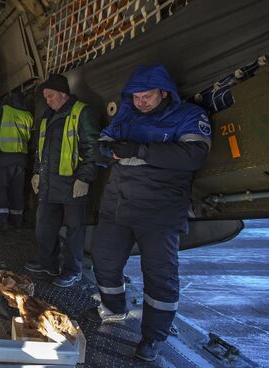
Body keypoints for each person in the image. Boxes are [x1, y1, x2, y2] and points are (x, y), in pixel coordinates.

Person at [86, 64, 211, 362]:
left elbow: (194, 155)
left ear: (164, 92)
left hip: (160, 212)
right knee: (103, 261)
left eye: (146, 96)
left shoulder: (189, 116)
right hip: (117, 206)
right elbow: (100, 146)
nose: (140, 102)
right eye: (136, 96)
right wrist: (106, 152)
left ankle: (154, 337)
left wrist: (139, 150)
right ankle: (114, 308)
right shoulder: (126, 114)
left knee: (160, 277)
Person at [24, 74, 99, 287]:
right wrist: (37, 172)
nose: (47, 101)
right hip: (49, 184)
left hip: (73, 183)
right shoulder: (47, 117)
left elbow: (92, 147)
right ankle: (47, 263)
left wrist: (84, 178)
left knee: (74, 230)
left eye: (50, 96)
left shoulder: (82, 113)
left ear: (63, 94)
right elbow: (41, 150)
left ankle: (72, 270)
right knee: (45, 226)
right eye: (45, 97)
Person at [0, 90, 33, 231]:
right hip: (21, 158)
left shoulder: (2, 110)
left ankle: (1, 221)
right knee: (17, 190)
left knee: (0, 189)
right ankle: (17, 220)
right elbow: (30, 138)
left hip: (4, 157)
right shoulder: (28, 115)